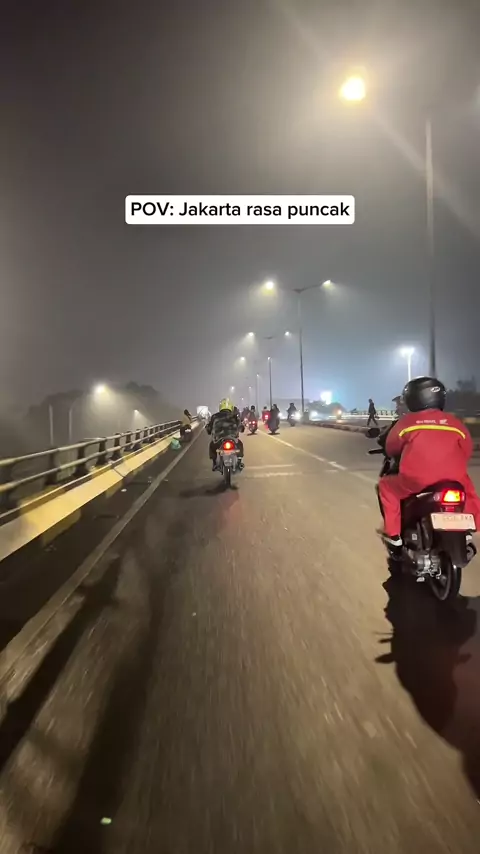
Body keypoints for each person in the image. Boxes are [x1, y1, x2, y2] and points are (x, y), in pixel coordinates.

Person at [377, 376, 480, 549]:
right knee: (468, 490)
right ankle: (472, 526)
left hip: (416, 481)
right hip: (454, 479)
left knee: (386, 486)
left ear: (412, 398)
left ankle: (393, 534)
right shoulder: (455, 423)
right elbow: (466, 450)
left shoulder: (407, 422)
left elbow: (392, 448)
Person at [206, 398, 244, 471]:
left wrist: (209, 430)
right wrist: (241, 429)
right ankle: (239, 462)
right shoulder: (235, 416)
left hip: (219, 439)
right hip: (232, 438)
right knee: (240, 444)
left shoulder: (214, 416)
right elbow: (241, 427)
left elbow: (209, 428)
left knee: (212, 445)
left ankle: (214, 463)